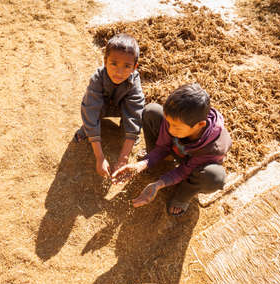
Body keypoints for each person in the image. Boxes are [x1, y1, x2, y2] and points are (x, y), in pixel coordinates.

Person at [112, 83, 232, 216]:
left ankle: (182, 197)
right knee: (151, 111)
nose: (170, 129)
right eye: (168, 123)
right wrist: (141, 165)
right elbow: (163, 146)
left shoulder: (213, 148)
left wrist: (158, 184)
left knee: (214, 176)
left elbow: (184, 170)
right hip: (177, 149)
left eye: (176, 127)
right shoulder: (177, 119)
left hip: (195, 164)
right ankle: (161, 159)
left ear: (200, 125)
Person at [74, 33, 145, 178]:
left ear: (134, 67)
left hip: (121, 109)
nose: (119, 72)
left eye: (127, 66)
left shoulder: (134, 82)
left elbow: (134, 114)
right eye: (114, 63)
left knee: (133, 122)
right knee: (91, 112)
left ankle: (129, 136)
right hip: (103, 107)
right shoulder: (97, 78)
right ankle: (87, 130)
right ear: (105, 61)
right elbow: (91, 109)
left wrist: (123, 158)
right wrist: (100, 158)